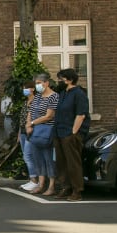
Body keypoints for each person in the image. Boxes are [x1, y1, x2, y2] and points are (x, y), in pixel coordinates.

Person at [53, 68, 90, 201]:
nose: (60, 81)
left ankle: (77, 190)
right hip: (59, 132)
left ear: (70, 80)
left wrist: (73, 133)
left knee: (73, 162)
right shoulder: (63, 93)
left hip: (70, 133)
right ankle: (66, 186)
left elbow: (81, 115)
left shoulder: (78, 94)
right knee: (61, 162)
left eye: (62, 78)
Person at [26, 74, 59, 196]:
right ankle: (41, 184)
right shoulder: (38, 96)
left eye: (40, 83)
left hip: (46, 130)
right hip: (34, 131)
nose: (38, 85)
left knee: (48, 158)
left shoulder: (54, 97)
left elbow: (49, 116)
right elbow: (31, 111)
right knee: (37, 158)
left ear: (47, 83)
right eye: (36, 83)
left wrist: (32, 122)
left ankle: (51, 186)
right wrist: (28, 124)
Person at [17, 81, 39, 192]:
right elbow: (22, 118)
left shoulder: (35, 101)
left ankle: (35, 180)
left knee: (29, 156)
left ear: (32, 89)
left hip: (31, 132)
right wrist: (19, 133)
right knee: (26, 156)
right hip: (23, 132)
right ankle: (31, 179)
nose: (24, 90)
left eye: (26, 88)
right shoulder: (26, 102)